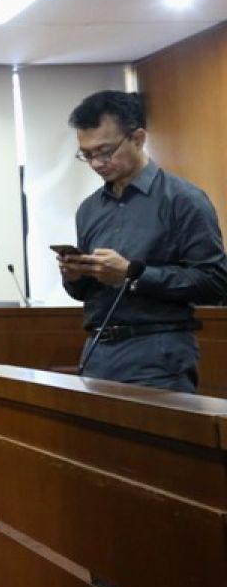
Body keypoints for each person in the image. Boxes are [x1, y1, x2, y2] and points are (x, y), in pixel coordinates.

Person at [60, 90, 227, 393]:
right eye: (87, 154)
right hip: (97, 350)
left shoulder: (184, 200)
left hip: (159, 353)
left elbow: (214, 282)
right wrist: (75, 276)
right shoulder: (89, 209)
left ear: (138, 138)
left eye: (105, 151)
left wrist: (132, 274)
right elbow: (86, 292)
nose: (97, 163)